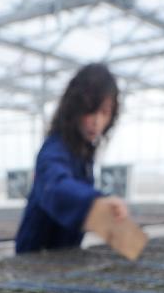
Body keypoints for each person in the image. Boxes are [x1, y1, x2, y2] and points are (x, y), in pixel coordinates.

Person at [15, 63, 132, 254]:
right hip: (37, 254)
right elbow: (55, 185)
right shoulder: (54, 149)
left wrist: (125, 238)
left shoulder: (84, 154)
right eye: (90, 110)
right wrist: (94, 203)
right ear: (74, 108)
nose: (97, 121)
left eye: (104, 113)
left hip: (64, 256)